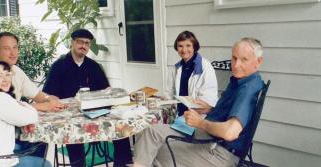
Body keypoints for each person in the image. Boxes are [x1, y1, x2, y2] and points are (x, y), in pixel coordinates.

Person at [133, 37, 265, 167]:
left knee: (153, 149)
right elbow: (230, 115)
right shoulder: (240, 81)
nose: (236, 65)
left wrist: (200, 122)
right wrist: (209, 109)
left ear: (258, 62)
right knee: (151, 133)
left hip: (218, 153)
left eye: (244, 60)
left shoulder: (248, 88)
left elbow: (230, 132)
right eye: (234, 58)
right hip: (208, 138)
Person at [43, 28, 132, 167]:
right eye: (80, 42)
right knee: (73, 132)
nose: (83, 46)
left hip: (94, 111)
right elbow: (49, 94)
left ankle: (122, 164)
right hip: (69, 113)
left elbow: (106, 89)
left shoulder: (94, 66)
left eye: (87, 43)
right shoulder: (58, 66)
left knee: (119, 124)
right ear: (72, 42)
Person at [0, 32, 66, 157]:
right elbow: (8, 108)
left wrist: (49, 99)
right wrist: (38, 106)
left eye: (15, 47)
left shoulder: (16, 71)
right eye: (7, 48)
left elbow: (36, 94)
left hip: (13, 130)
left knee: (40, 140)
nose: (12, 52)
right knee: (39, 141)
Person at [164, 31, 218, 116]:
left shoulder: (205, 67)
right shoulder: (176, 68)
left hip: (198, 117)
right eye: (180, 46)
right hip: (178, 115)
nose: (184, 50)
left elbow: (208, 100)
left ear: (194, 47)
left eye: (188, 45)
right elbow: (169, 93)